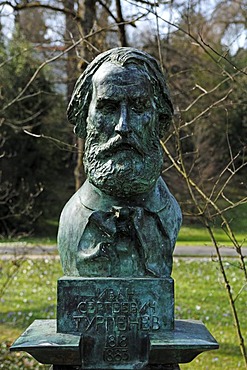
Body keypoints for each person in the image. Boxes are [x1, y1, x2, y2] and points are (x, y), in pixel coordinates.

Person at [58, 47, 182, 278]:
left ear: (160, 120)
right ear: (84, 120)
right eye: (108, 107)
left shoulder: (169, 216)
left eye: (138, 107)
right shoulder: (71, 221)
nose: (123, 127)